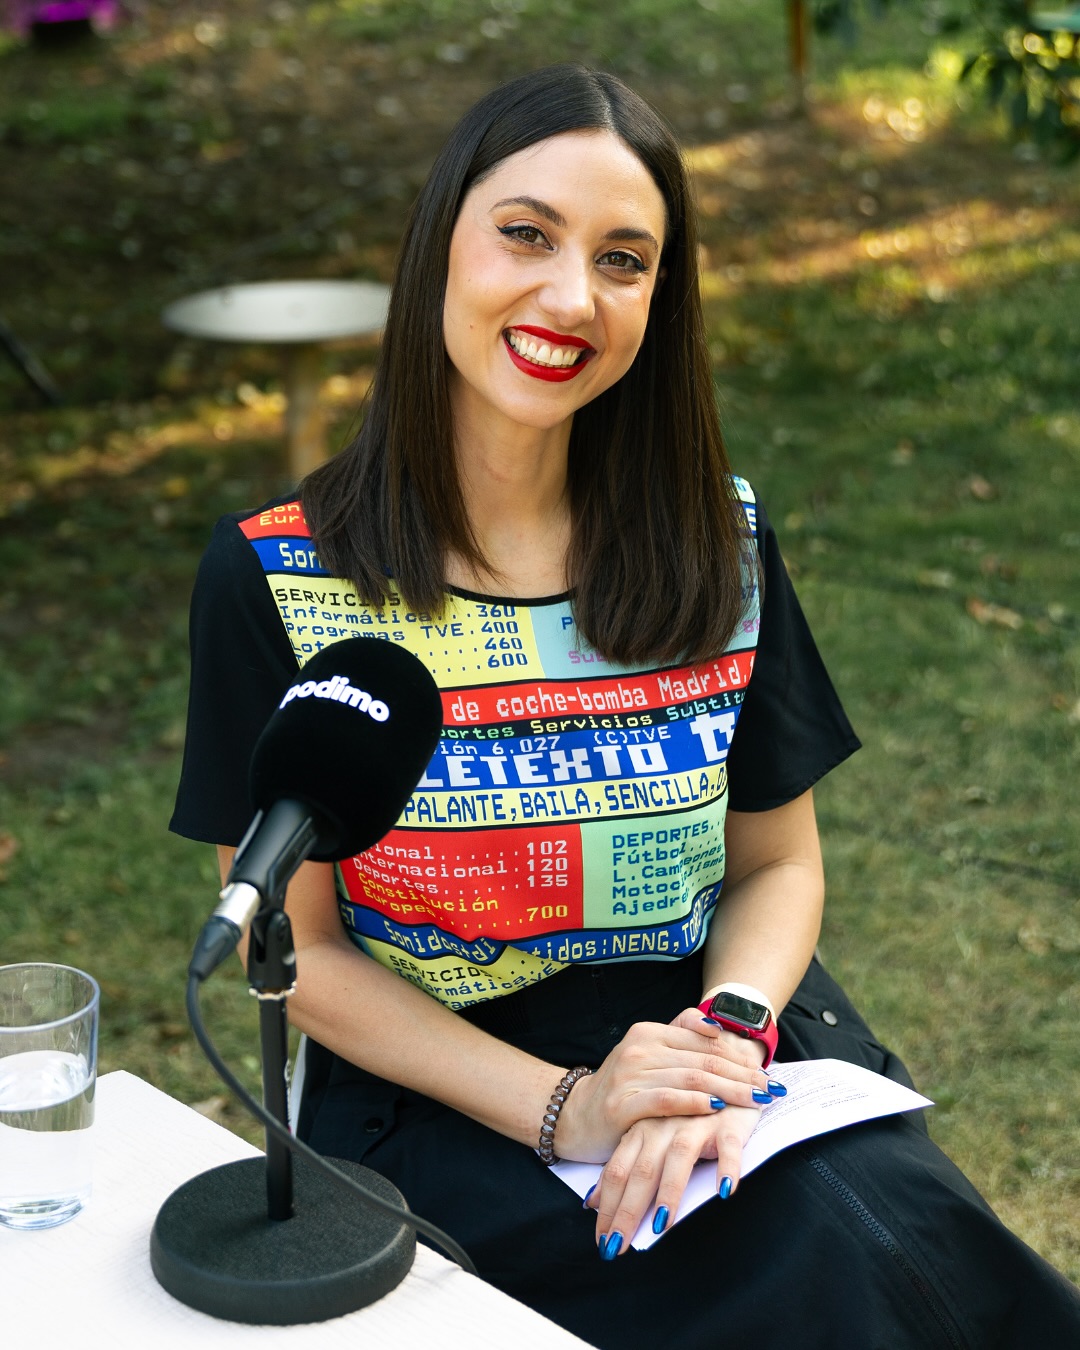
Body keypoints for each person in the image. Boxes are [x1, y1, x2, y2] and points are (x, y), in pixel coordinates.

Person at [171, 64, 1080, 1348]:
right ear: (439, 244)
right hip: (445, 1088)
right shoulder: (277, 574)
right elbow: (296, 949)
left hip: (724, 1035)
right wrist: (573, 1109)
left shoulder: (717, 545)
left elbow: (777, 864)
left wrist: (726, 1040)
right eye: (526, 234)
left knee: (893, 1239)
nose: (570, 297)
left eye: (622, 260)